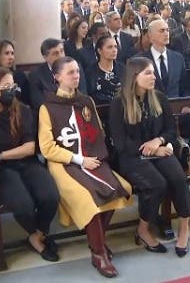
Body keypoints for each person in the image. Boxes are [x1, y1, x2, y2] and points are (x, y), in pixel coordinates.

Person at [38, 57, 132, 277]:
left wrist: (95, 158)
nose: (76, 75)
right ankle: (99, 253)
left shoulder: (86, 101)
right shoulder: (47, 107)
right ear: (57, 77)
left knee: (122, 188)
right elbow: (47, 148)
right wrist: (79, 160)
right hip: (63, 163)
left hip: (92, 158)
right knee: (87, 199)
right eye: (70, 72)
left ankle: (96, 241)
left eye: (77, 71)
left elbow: (97, 132)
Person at [0, 67, 60, 261]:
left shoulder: (22, 109)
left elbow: (29, 148)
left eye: (13, 85)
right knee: (23, 205)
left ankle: (38, 233)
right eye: (6, 86)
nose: (12, 90)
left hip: (26, 162)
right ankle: (35, 236)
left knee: (50, 197)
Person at [109, 57, 190, 256]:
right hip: (131, 157)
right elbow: (120, 143)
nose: (154, 76)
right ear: (134, 77)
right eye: (148, 73)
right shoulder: (119, 103)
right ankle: (143, 229)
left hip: (160, 151)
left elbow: (171, 131)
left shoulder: (159, 98)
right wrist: (154, 149)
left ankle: (184, 229)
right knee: (157, 184)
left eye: (153, 72)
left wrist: (159, 141)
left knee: (179, 178)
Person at [28, 38, 87, 112]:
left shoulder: (75, 68)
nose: (61, 56)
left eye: (62, 51)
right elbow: (38, 103)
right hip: (51, 115)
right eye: (55, 53)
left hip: (76, 110)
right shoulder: (36, 75)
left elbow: (83, 94)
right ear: (45, 57)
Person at [136, 19, 189, 98]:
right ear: (150, 35)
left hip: (175, 106)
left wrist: (185, 105)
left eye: (167, 30)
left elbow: (184, 87)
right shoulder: (139, 60)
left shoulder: (178, 58)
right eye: (162, 31)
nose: (166, 33)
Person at [0, 40, 30, 105]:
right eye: (6, 53)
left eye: (12, 53)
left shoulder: (19, 76)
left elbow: (27, 101)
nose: (11, 57)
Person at [85, 35, 124, 105]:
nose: (114, 50)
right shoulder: (90, 71)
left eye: (115, 46)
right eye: (110, 47)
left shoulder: (122, 69)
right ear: (99, 51)